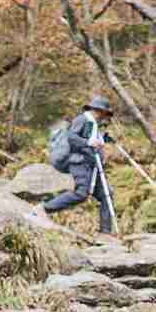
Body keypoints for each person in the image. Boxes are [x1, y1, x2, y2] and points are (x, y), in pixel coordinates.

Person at [41, 95, 115, 235]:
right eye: (105, 113)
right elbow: (72, 137)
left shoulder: (94, 123)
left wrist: (104, 138)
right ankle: (44, 209)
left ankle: (105, 233)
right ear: (99, 110)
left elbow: (90, 138)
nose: (106, 117)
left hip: (92, 165)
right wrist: (88, 143)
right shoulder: (83, 119)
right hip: (79, 162)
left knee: (107, 195)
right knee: (81, 193)